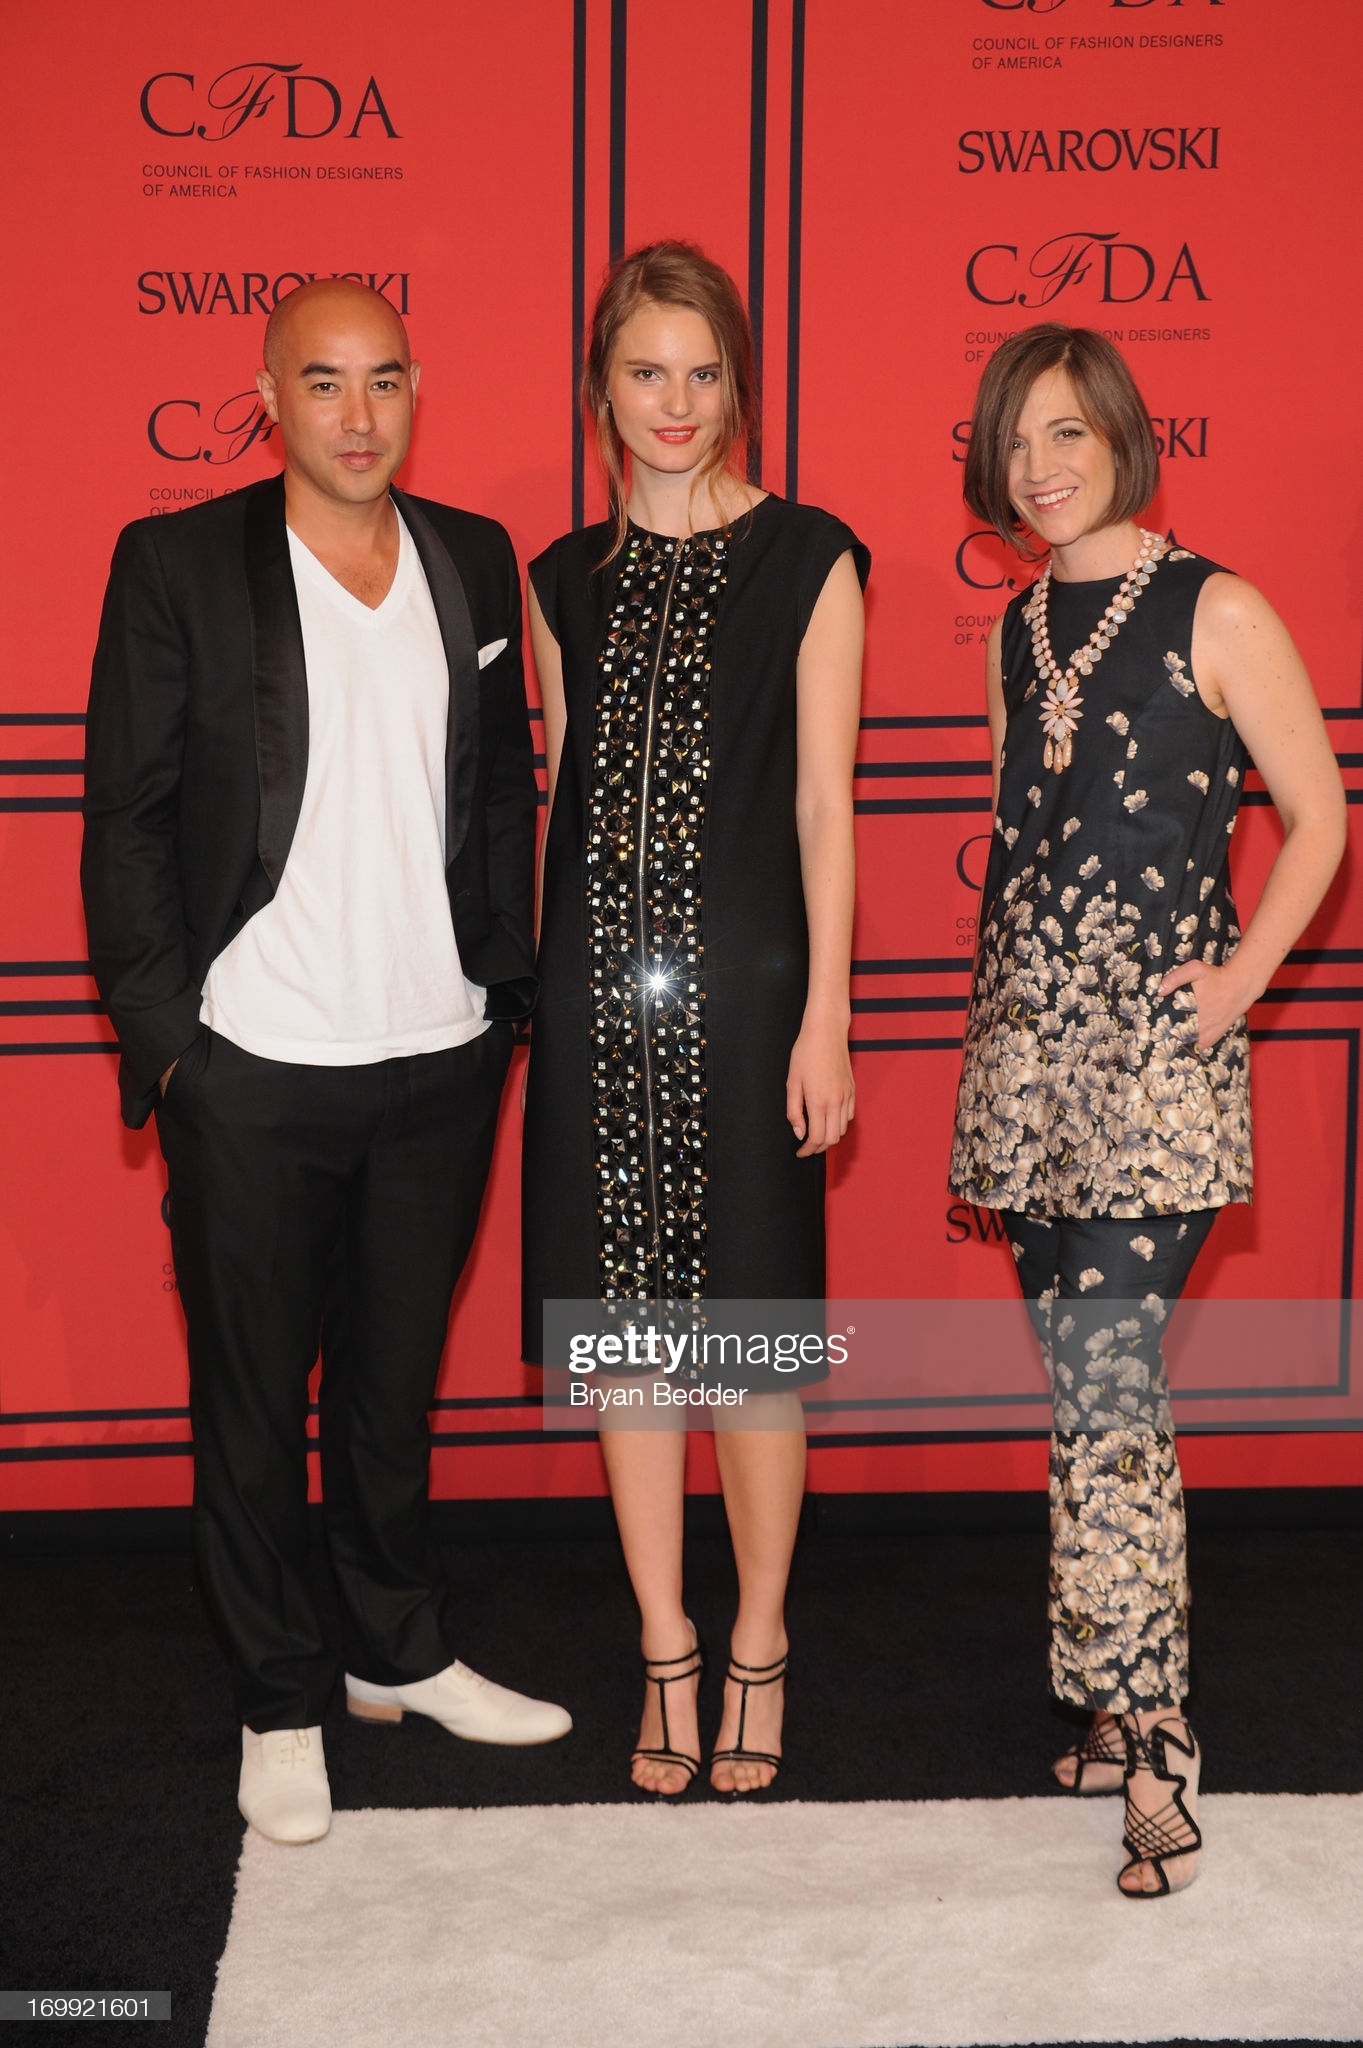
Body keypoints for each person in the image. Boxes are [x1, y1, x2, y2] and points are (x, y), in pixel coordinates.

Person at [82, 279, 571, 1848]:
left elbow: (499, 787)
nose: (359, 417)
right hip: (258, 1063)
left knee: (389, 1391)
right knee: (250, 1408)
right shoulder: (175, 563)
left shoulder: (471, 556)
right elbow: (126, 818)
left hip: (440, 1054)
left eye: (385, 382)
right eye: (323, 383)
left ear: (417, 390)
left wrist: (502, 983)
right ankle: (280, 1698)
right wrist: (173, 1046)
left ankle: (397, 1652)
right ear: (269, 395)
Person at [949, 323, 1345, 1895]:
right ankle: (1112, 1694)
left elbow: (1319, 817)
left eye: (1067, 432)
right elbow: (1019, 855)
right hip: (1025, 1063)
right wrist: (994, 1057)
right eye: (1015, 440)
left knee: (1108, 1387)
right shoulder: (1016, 626)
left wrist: (1241, 980)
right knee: (1086, 1389)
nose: (1041, 467)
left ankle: (1157, 1731)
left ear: (1123, 432)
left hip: (1158, 1071)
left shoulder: (1217, 606)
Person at [522, 241, 867, 1797]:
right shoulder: (558, 581)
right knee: (630, 1348)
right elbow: (562, 802)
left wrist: (825, 1019)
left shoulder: (812, 557)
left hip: (751, 1010)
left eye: (703, 372)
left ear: (739, 383)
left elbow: (823, 806)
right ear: (601, 386)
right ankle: (665, 1642)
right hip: (597, 1008)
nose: (676, 402)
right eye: (645, 371)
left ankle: (761, 1639)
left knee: (750, 1346)